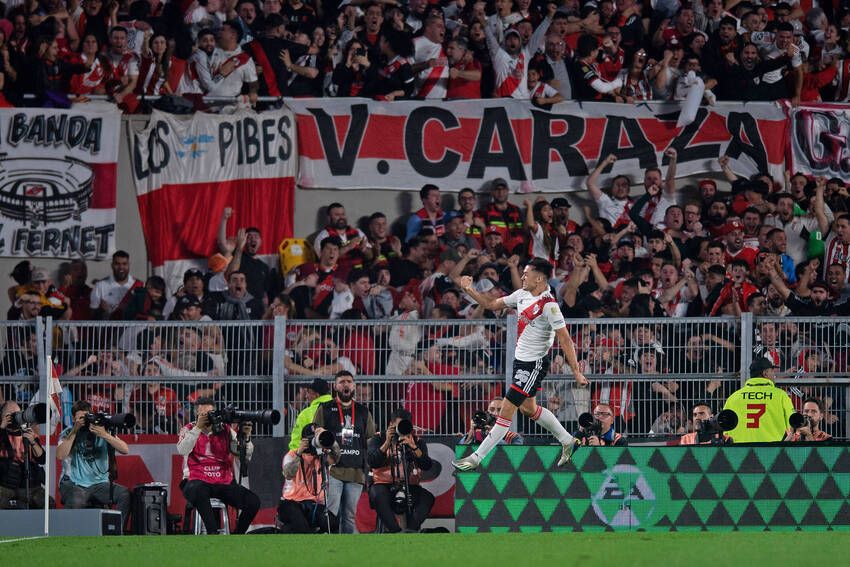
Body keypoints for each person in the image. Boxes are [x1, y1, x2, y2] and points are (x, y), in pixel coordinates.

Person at [452, 258, 589, 471]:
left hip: (533, 365)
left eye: (526, 273)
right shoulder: (521, 295)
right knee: (528, 409)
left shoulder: (549, 306)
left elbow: (565, 339)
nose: (522, 277)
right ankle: (567, 440)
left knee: (506, 410)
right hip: (520, 363)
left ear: (540, 278)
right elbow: (490, 304)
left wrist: (577, 372)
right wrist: (469, 289)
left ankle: (475, 458)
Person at [177, 397, 260, 534]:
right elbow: (182, 449)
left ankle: (238, 536)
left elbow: (243, 455)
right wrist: (198, 427)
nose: (209, 417)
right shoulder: (189, 429)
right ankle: (213, 533)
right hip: (197, 479)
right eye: (204, 414)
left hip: (223, 481)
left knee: (253, 501)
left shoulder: (225, 430)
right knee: (198, 490)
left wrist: (245, 437)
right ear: (196, 415)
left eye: (211, 413)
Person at [313, 371, 376, 533]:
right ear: (335, 386)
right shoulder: (325, 409)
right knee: (331, 515)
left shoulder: (363, 411)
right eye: (341, 382)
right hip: (333, 470)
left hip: (356, 471)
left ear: (354, 386)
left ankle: (348, 551)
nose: (345, 384)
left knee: (349, 516)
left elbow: (370, 439)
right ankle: (329, 550)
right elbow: (316, 434)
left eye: (349, 381)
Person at [56, 400, 131, 525]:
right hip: (75, 483)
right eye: (80, 418)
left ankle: (116, 531)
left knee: (124, 494)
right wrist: (75, 430)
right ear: (74, 418)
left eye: (87, 416)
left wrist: (105, 435)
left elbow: (125, 449)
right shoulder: (68, 433)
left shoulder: (100, 430)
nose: (84, 420)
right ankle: (67, 533)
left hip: (99, 483)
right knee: (77, 497)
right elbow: (60, 455)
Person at [367, 408, 434, 533]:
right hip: (383, 484)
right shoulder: (379, 438)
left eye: (405, 426)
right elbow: (372, 461)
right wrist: (387, 443)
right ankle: (395, 531)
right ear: (390, 425)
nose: (401, 430)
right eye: (398, 426)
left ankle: (410, 531)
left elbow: (427, 465)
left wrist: (413, 447)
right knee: (378, 494)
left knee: (427, 498)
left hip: (409, 486)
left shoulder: (416, 441)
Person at [279, 423, 340, 533]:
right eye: (312, 439)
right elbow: (288, 474)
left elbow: (336, 457)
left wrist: (329, 439)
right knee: (302, 526)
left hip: (314, 503)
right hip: (291, 502)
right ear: (303, 440)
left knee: (333, 522)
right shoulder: (292, 455)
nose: (314, 443)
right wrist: (299, 453)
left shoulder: (321, 456)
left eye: (316, 438)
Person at [723, 359, 796, 443]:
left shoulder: (733, 397)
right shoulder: (781, 396)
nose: (774, 374)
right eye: (772, 371)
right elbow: (792, 425)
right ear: (765, 373)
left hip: (741, 452)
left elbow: (725, 429)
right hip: (773, 452)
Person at [0, 401, 49, 509]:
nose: (14, 417)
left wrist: (33, 441)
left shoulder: (28, 434)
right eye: (9, 414)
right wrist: (2, 427)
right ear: (2, 416)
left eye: (16, 413)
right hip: (4, 486)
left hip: (28, 486)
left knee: (47, 503)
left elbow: (42, 459)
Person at [288, 378, 332, 453]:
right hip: (337, 456)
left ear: (316, 395)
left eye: (308, 392)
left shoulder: (305, 414)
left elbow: (296, 442)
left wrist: (294, 456)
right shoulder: (339, 408)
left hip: (314, 459)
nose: (306, 396)